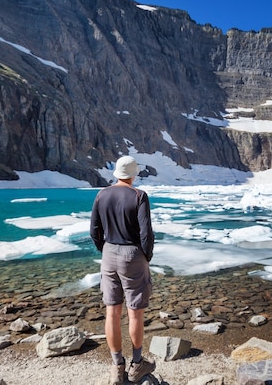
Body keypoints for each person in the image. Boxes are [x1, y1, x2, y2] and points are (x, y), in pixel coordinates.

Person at [90, 156, 156, 384]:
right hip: (132, 254)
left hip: (109, 253)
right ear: (133, 174)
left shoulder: (101, 195)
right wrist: (145, 257)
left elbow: (94, 231)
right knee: (135, 311)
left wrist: (106, 250)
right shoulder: (139, 196)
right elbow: (146, 233)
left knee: (112, 312)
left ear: (116, 173)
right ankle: (137, 363)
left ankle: (117, 367)